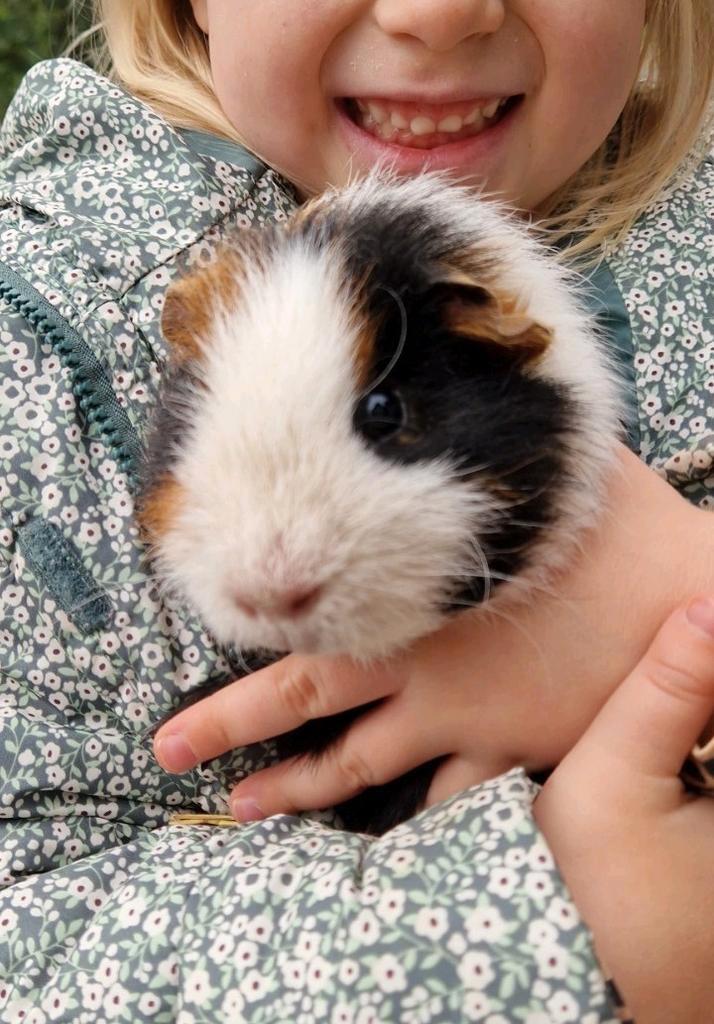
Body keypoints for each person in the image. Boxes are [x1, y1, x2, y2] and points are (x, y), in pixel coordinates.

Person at [0, 1, 711, 1020]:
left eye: (382, 416)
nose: (434, 12)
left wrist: (692, 600)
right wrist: (556, 933)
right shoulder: (39, 343)